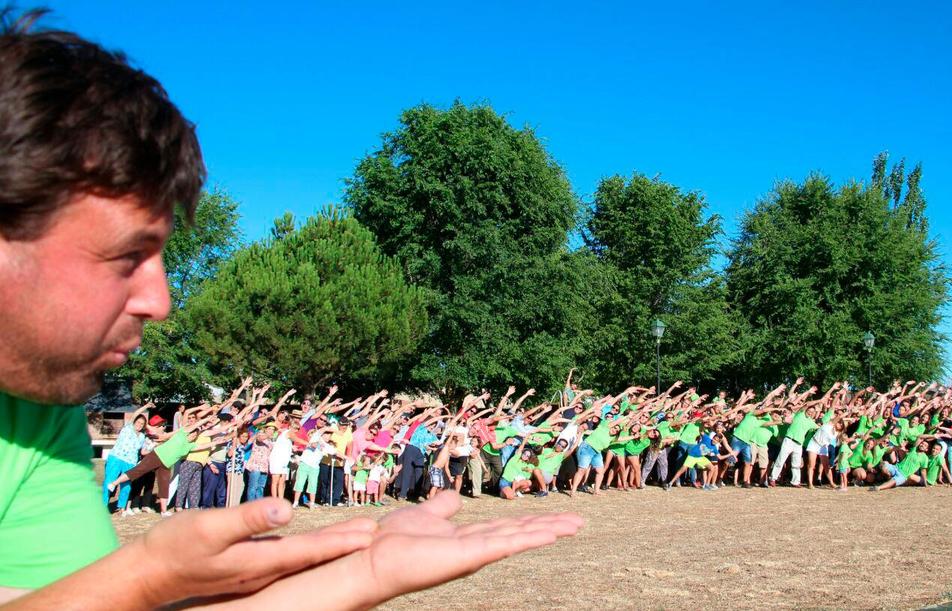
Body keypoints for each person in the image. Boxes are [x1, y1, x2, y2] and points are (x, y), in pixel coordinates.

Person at [0, 11, 580, 607]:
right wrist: (145, 575)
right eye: (126, 256)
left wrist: (363, 575)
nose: (161, 302)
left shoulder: (36, 401)